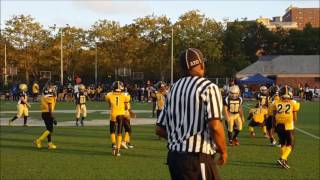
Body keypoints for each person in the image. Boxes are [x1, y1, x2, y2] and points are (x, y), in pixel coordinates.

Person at [156, 48, 227, 180]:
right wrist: (223, 150)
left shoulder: (173, 89)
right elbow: (215, 126)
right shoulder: (208, 87)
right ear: (202, 64)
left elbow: (159, 129)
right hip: (197, 158)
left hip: (174, 158)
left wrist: (180, 140)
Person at [270, 85, 300, 169]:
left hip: (279, 125)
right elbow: (295, 117)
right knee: (291, 144)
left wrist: (273, 127)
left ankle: (284, 160)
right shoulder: (293, 102)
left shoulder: (275, 102)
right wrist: (294, 122)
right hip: (288, 125)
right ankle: (282, 158)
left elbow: (273, 116)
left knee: (283, 143)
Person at [105, 81, 130, 156]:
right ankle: (118, 151)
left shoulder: (109, 95)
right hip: (121, 115)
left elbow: (109, 104)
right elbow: (126, 106)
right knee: (119, 132)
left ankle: (113, 143)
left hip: (113, 114)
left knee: (112, 131)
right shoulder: (125, 95)